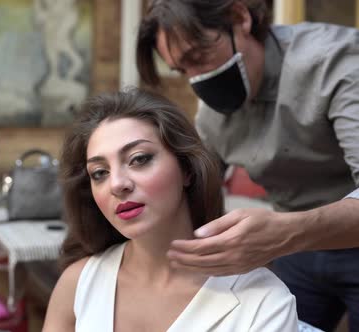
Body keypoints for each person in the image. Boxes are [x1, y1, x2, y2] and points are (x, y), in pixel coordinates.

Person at [136, 1, 359, 330]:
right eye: (183, 71)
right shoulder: (211, 118)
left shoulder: (335, 64)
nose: (197, 81)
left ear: (239, 18)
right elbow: (193, 189)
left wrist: (286, 233)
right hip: (297, 254)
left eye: (198, 57)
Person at [42, 88, 298, 331]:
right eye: (99, 173)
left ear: (186, 168)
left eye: (139, 159)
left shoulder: (263, 301)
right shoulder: (77, 284)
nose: (117, 184)